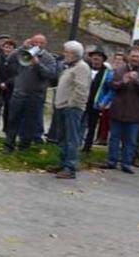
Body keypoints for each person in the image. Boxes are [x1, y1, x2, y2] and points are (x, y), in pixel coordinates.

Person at [101, 47, 139, 174]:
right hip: (118, 109)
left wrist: (137, 81)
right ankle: (112, 161)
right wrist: (122, 82)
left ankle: (126, 163)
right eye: (133, 56)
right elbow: (111, 86)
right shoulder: (119, 69)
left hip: (135, 111)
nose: (136, 59)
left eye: (138, 57)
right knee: (114, 138)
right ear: (128, 56)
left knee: (130, 140)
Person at [3, 34, 57, 153]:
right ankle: (8, 145)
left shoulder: (49, 58)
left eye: (40, 43)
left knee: (30, 122)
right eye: (35, 42)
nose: (37, 45)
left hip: (35, 95)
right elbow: (9, 59)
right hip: (19, 93)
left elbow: (51, 75)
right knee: (13, 120)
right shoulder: (23, 52)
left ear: (45, 44)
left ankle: (24, 146)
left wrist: (38, 64)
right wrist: (23, 47)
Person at [51, 41, 91, 179]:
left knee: (71, 138)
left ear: (74, 54)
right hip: (62, 106)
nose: (64, 54)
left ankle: (70, 167)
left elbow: (81, 89)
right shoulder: (69, 67)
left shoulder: (81, 67)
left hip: (72, 108)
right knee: (62, 137)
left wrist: (71, 104)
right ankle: (63, 163)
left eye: (66, 52)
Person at [82, 47, 113, 152]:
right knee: (79, 124)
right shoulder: (85, 68)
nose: (96, 58)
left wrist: (104, 102)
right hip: (82, 101)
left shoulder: (107, 72)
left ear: (103, 59)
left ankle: (87, 147)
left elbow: (110, 90)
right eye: (94, 56)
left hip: (96, 103)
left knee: (92, 126)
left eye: (99, 56)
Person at [0, 38, 18, 133]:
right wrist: (0, 82)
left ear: (13, 49)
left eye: (10, 48)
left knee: (8, 109)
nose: (7, 49)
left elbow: (16, 74)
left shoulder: (16, 60)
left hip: (10, 87)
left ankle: (6, 127)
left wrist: (6, 83)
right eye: (6, 47)